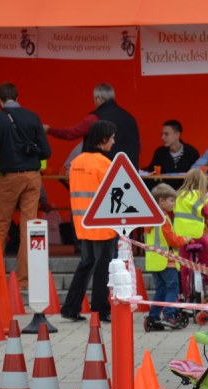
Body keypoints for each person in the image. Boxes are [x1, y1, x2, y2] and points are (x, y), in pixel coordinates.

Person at [0, 82, 51, 290]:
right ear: (17, 97)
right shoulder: (33, 117)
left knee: (2, 226)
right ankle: (24, 280)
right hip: (32, 177)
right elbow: (46, 151)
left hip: (9, 178)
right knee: (28, 227)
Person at [59, 121, 117, 323]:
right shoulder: (105, 164)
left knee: (86, 263)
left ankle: (71, 307)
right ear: (103, 139)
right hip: (102, 224)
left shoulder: (76, 162)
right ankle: (101, 309)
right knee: (102, 267)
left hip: (82, 222)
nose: (113, 141)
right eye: (112, 138)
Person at [45, 83, 140, 167]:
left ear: (99, 98)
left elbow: (71, 134)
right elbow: (139, 145)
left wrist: (49, 130)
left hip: (102, 169)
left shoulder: (95, 118)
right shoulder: (130, 118)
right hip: (129, 169)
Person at [143, 183, 190, 329]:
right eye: (171, 200)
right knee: (172, 288)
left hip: (153, 261)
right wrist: (185, 240)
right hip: (166, 261)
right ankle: (169, 315)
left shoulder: (150, 217)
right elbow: (173, 241)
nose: (174, 204)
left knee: (160, 290)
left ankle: (154, 316)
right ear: (161, 201)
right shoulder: (163, 218)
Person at [174, 168, 208, 302]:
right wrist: (207, 231)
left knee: (184, 266)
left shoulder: (178, 198)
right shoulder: (203, 198)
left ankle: (184, 295)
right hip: (200, 235)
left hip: (182, 237)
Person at [144, 120, 200, 190]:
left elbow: (197, 177)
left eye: (166, 134)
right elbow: (151, 172)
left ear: (177, 135)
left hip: (186, 192)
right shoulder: (159, 152)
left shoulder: (191, 153)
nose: (162, 137)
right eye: (162, 134)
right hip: (164, 192)